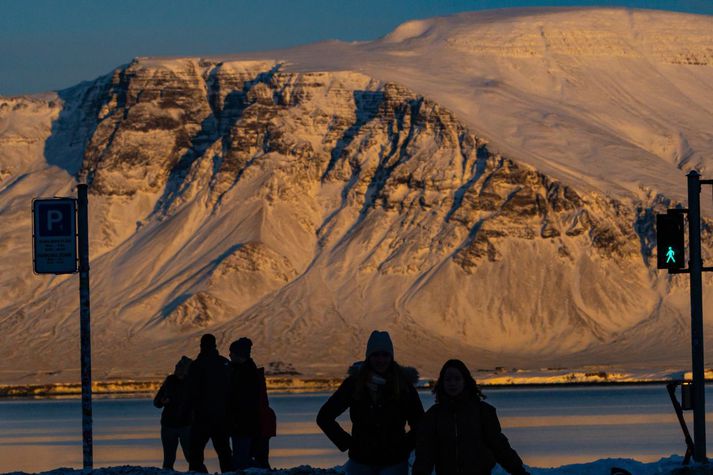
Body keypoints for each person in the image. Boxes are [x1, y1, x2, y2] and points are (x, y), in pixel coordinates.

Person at [317, 330, 424, 475]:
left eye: (385, 355)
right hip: (361, 462)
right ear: (368, 357)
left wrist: (404, 445)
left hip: (394, 462)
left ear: (391, 356)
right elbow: (324, 417)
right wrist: (348, 443)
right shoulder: (354, 383)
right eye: (375, 355)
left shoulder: (403, 385)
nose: (380, 360)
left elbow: (420, 423)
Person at [413, 359, 529, 475]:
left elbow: (500, 447)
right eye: (448, 379)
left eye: (457, 379)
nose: (452, 383)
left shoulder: (482, 412)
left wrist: (519, 471)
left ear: (465, 381)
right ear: (442, 383)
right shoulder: (433, 415)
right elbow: (425, 454)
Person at [185, 334, 233, 473]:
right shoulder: (224, 363)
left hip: (201, 417)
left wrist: (186, 413)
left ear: (201, 346)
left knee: (195, 452)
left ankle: (197, 473)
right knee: (224, 452)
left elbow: (190, 392)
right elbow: (231, 391)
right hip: (221, 416)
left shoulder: (196, 366)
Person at [153, 356, 193, 470]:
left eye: (181, 368)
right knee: (169, 459)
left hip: (186, 425)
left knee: (191, 457)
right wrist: (162, 401)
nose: (178, 370)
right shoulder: (169, 381)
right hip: (169, 425)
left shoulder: (191, 383)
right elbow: (156, 402)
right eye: (177, 367)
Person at [227, 337, 261, 469]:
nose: (229, 355)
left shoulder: (246, 372)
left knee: (241, 457)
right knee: (240, 455)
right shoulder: (238, 369)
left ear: (239, 354)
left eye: (232, 352)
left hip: (243, 421)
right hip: (240, 421)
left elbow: (244, 399)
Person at [251, 362, 276, 468]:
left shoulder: (252, 382)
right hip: (265, 422)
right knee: (262, 457)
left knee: (259, 456)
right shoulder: (258, 381)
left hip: (261, 423)